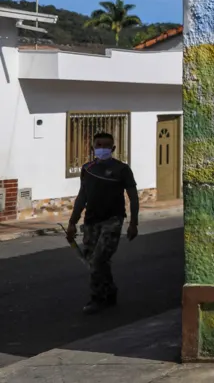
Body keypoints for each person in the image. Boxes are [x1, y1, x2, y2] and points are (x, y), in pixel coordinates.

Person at [65, 132, 139, 314]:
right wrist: (72, 222)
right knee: (95, 261)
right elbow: (82, 196)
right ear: (92, 148)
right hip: (91, 221)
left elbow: (133, 197)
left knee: (98, 260)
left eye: (106, 146)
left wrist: (133, 223)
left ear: (113, 149)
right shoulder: (87, 168)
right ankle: (110, 291)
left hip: (113, 220)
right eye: (98, 145)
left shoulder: (122, 169)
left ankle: (97, 298)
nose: (102, 149)